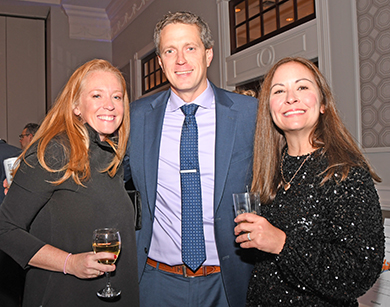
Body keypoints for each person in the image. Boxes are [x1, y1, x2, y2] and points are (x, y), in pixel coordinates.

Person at [124, 11, 258, 307]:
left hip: (228, 282)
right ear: (160, 62)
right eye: (170, 51)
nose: (180, 60)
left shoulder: (250, 114)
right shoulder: (136, 117)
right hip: (156, 283)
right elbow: (104, 174)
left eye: (190, 48)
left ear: (208, 54)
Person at [234, 56, 384, 306]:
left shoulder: (346, 172)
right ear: (269, 108)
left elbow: (360, 272)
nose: (290, 97)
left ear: (323, 103)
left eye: (302, 87)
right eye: (279, 90)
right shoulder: (267, 171)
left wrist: (282, 243)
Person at [0, 59, 139, 307]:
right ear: (76, 105)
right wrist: (70, 263)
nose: (110, 105)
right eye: (97, 95)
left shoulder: (111, 155)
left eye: (117, 97)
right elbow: (5, 229)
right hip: (64, 295)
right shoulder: (55, 151)